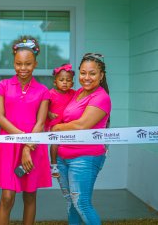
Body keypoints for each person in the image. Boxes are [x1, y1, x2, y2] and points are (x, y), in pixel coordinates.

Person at [0, 36, 52, 225]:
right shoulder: (3, 86)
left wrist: (28, 146)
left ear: (35, 64)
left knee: (29, 197)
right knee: (7, 197)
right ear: (14, 63)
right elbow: (0, 118)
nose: (23, 68)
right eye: (18, 64)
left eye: (28, 64)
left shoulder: (43, 90)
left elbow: (41, 123)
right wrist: (24, 139)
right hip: (9, 147)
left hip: (33, 147)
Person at [51, 53, 111, 225]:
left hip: (85, 157)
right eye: (83, 73)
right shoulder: (78, 93)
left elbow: (81, 125)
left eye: (92, 73)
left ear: (101, 75)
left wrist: (56, 128)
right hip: (63, 157)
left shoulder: (101, 97)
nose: (86, 77)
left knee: (81, 203)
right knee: (71, 203)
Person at [45, 64, 75, 178]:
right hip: (55, 123)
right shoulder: (51, 93)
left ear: (72, 83)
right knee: (55, 143)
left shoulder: (73, 93)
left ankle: (68, 163)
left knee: (67, 143)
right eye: (61, 80)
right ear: (55, 82)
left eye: (68, 80)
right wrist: (49, 114)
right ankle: (53, 165)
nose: (65, 82)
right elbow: (44, 108)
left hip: (67, 124)